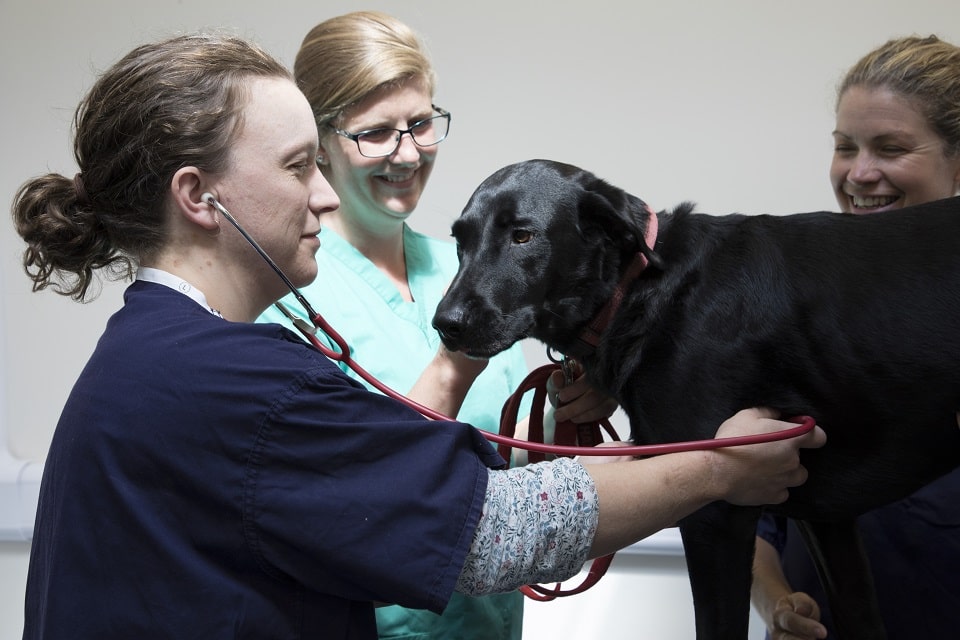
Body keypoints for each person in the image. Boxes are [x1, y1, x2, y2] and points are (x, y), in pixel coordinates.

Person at [12, 32, 825, 640]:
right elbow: (494, 530)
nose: (325, 197)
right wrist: (720, 465)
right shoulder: (236, 381)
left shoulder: (149, 351)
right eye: (298, 165)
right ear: (200, 197)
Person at [259, 12, 617, 638]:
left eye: (421, 124)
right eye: (375, 133)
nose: (407, 153)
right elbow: (367, 496)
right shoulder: (285, 300)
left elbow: (503, 456)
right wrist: (456, 363)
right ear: (319, 143)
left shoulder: (467, 267)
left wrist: (572, 406)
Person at [750, 34, 960, 640]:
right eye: (846, 147)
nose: (859, 173)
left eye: (891, 148)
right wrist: (779, 605)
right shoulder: (790, 310)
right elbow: (755, 519)